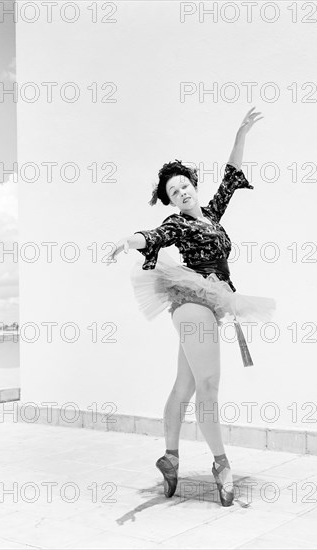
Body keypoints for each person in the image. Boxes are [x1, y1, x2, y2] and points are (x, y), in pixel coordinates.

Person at [106, 107, 276, 507]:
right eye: (174, 191)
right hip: (189, 300)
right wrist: (126, 241)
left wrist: (241, 133)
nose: (182, 192)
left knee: (184, 385)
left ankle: (170, 457)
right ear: (170, 200)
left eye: (185, 185)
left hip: (214, 302)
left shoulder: (213, 215)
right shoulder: (177, 223)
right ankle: (221, 464)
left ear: (194, 186)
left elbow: (231, 176)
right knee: (209, 386)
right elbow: (152, 235)